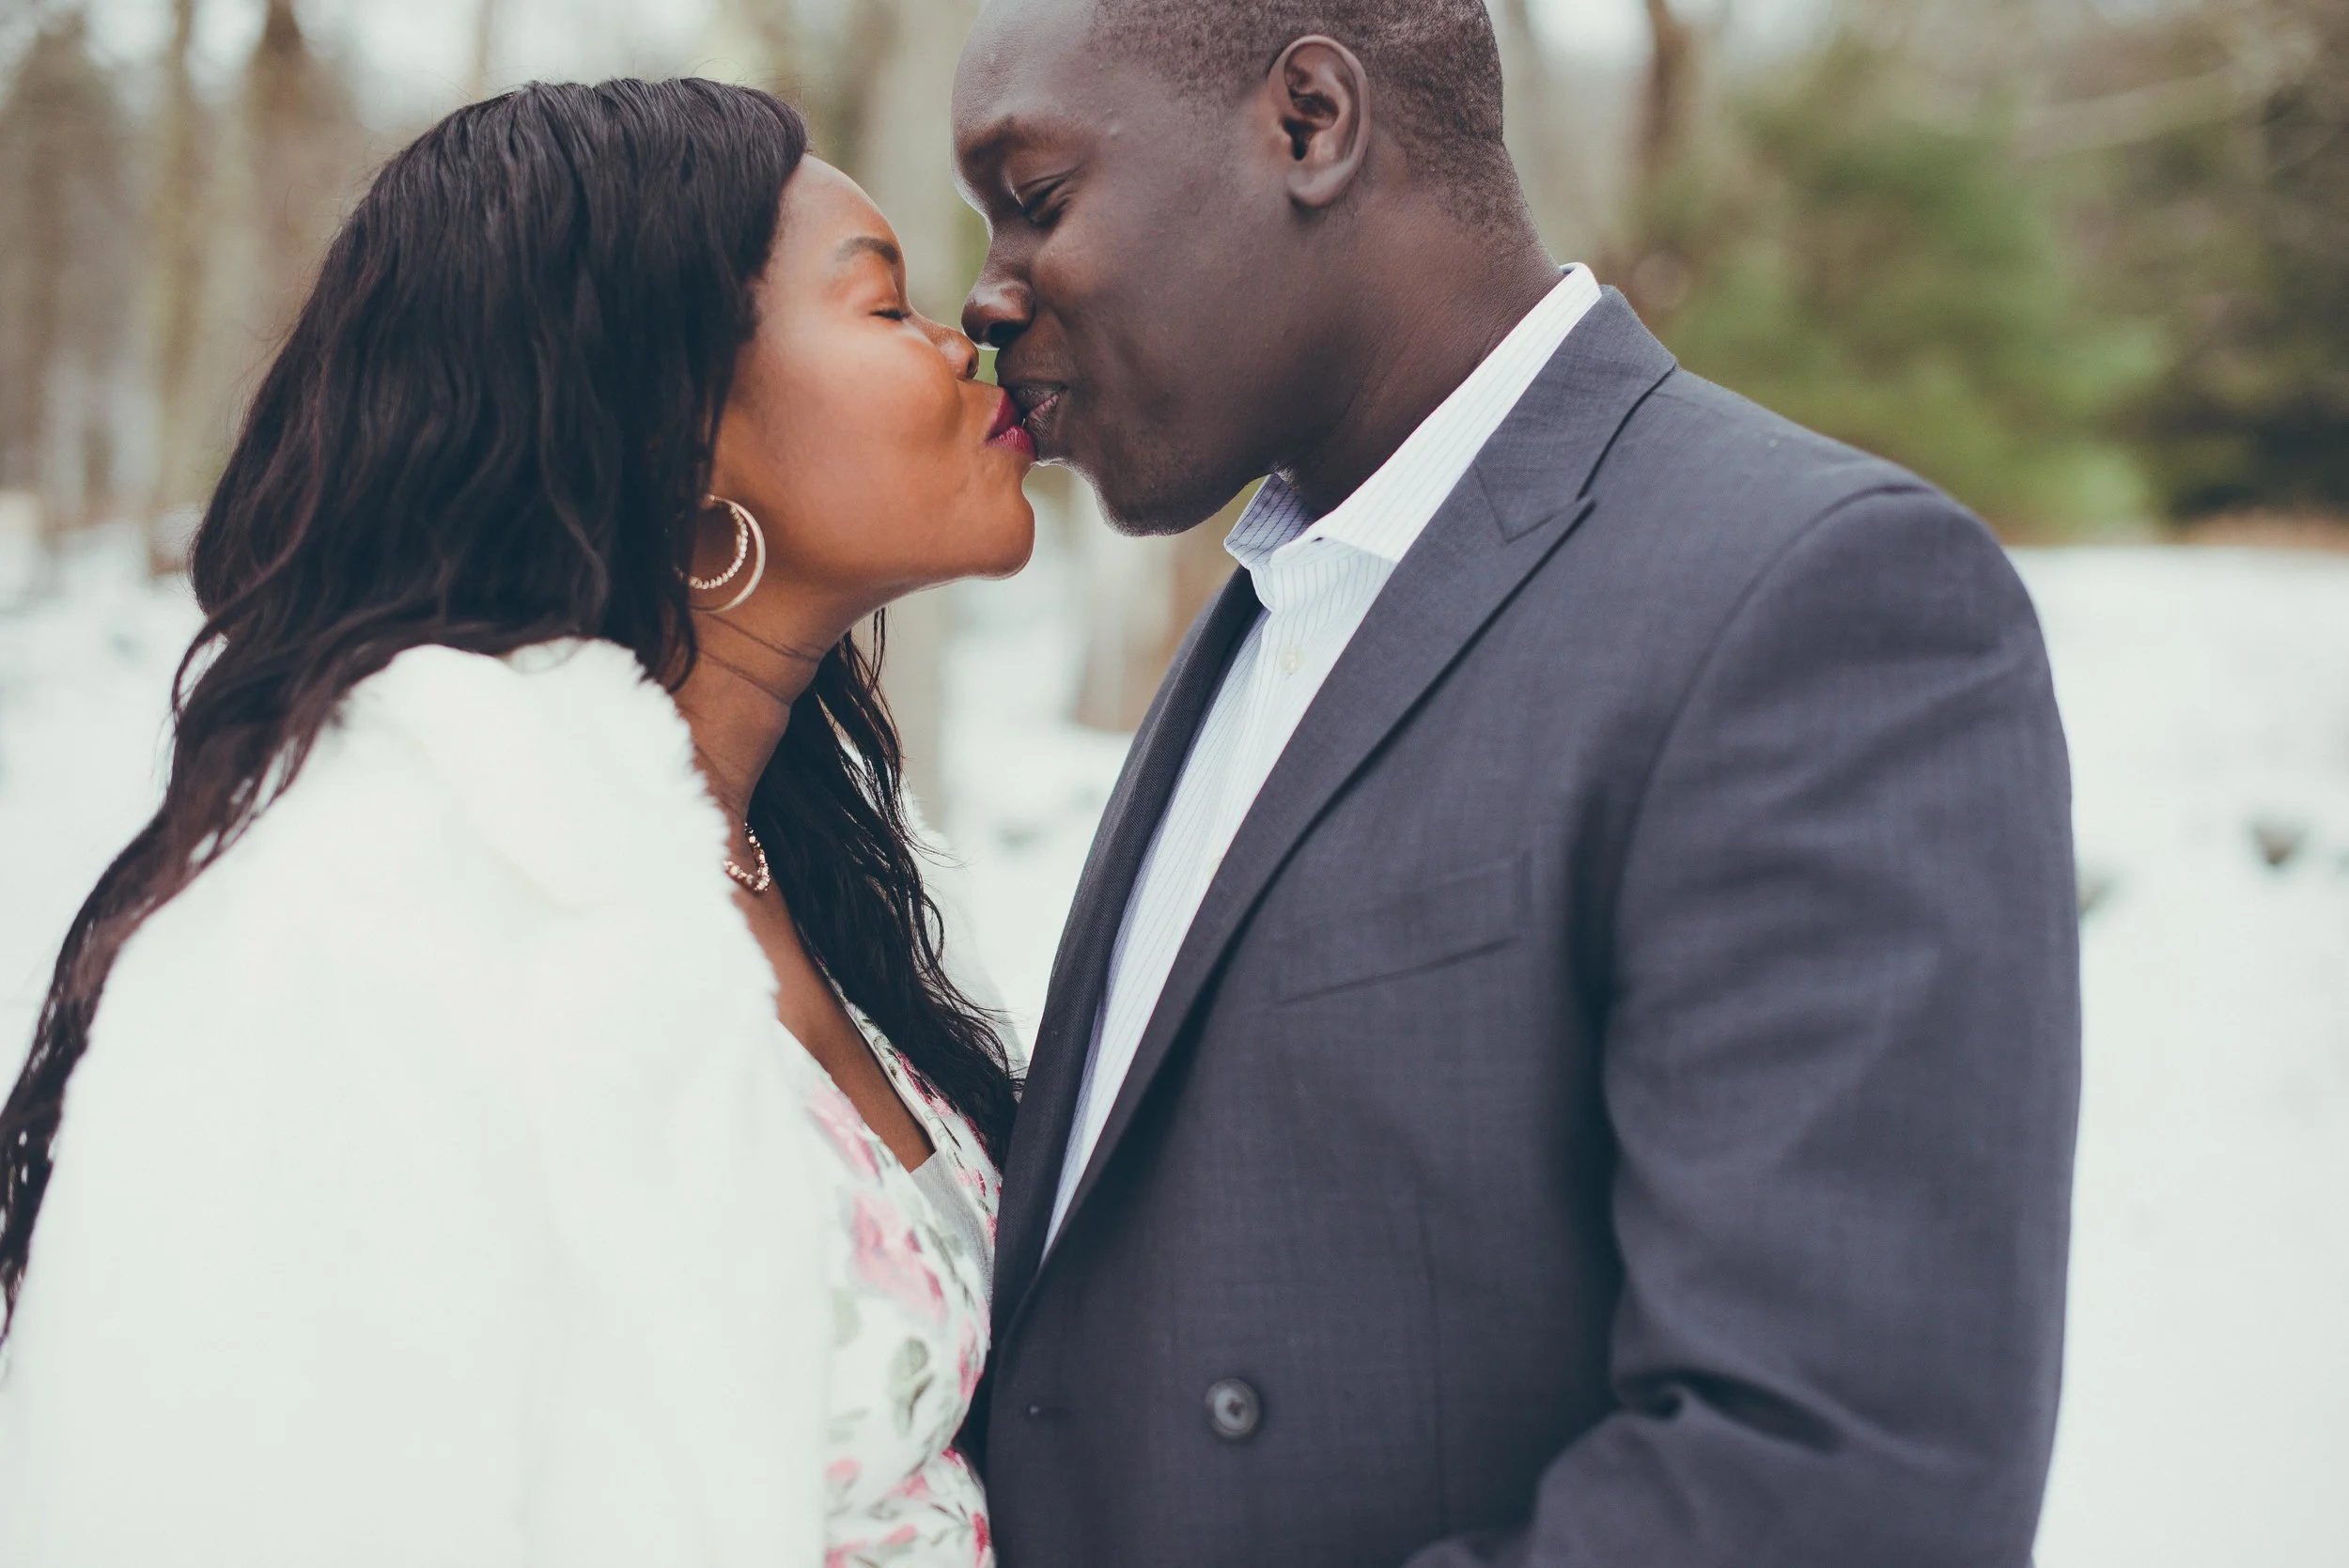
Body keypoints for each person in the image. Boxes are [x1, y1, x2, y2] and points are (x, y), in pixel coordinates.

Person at [952, 2, 2080, 1565]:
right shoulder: (1268, 617)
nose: (987, 291)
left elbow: (1835, 1488)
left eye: (1037, 198)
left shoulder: (1806, 602)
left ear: (1309, 125)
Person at [0, 79, 1034, 1567]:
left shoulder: (777, 870)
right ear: (679, 429)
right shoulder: (372, 912)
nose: (963, 343)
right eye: (882, 310)